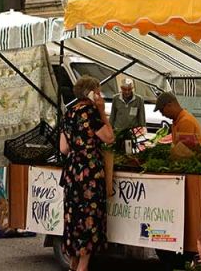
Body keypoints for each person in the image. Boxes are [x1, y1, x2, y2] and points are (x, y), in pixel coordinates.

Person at [59, 76, 114, 271]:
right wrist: (102, 112)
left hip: (72, 172)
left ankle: (73, 265)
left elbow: (63, 148)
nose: (100, 94)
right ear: (91, 93)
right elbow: (109, 138)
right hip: (90, 172)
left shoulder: (68, 113)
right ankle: (82, 267)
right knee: (89, 219)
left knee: (74, 218)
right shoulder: (92, 113)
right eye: (98, 91)